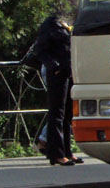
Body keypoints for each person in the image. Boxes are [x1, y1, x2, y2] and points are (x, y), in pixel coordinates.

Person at [28, 13, 80, 165]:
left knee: (67, 113)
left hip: (68, 72)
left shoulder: (66, 24)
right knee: (57, 112)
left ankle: (67, 152)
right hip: (56, 73)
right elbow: (41, 50)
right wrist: (54, 66)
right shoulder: (50, 24)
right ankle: (56, 155)